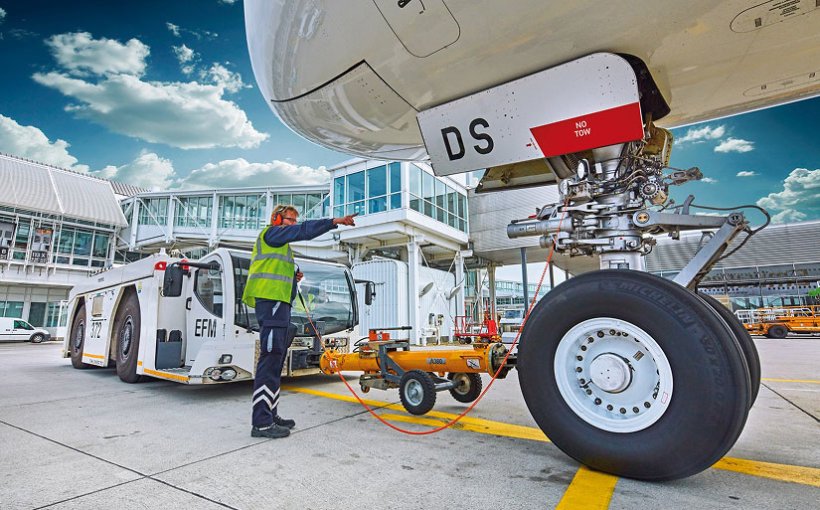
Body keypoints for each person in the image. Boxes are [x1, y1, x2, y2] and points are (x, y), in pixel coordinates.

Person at [243, 204, 356, 438]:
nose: (293, 225)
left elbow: (277, 275)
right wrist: (334, 221)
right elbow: (303, 231)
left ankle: (271, 414)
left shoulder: (281, 245)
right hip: (271, 303)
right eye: (289, 220)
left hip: (279, 304)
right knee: (270, 360)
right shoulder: (271, 234)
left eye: (295, 220)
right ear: (276, 218)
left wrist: (293, 279)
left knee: (276, 363)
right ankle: (261, 423)